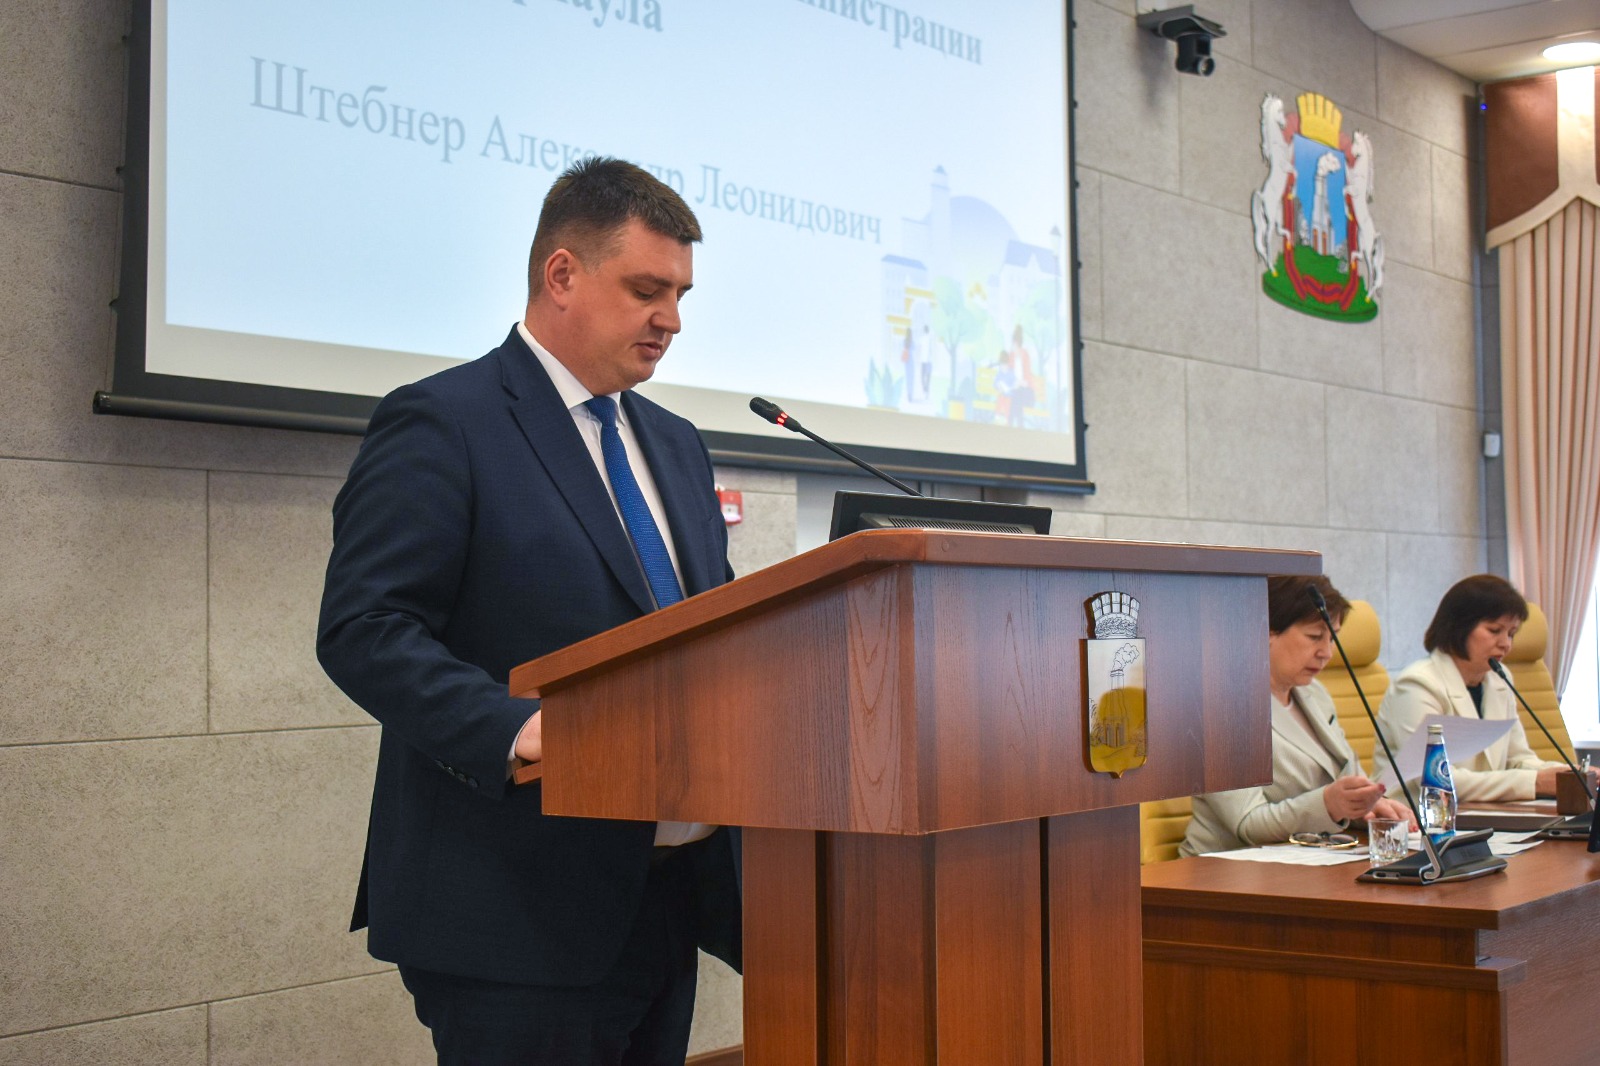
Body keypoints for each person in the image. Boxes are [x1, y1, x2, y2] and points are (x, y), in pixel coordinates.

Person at [317, 157, 741, 1065]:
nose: (671, 319)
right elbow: (366, 628)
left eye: (680, 295)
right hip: (512, 908)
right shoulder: (446, 421)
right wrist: (519, 730)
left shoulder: (675, 444)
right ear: (562, 274)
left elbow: (707, 630)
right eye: (647, 290)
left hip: (669, 897)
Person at [1180, 575, 1412, 856]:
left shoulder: (1315, 695)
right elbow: (1247, 824)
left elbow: (1347, 780)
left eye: (1332, 638)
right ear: (1265, 632)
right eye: (1314, 637)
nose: (1327, 653)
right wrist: (1329, 804)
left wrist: (1369, 806)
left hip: (1313, 856)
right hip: (1224, 870)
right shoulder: (1221, 705)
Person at [1373, 574, 1593, 802]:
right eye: (1495, 630)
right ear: (1459, 627)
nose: (1506, 644)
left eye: (1511, 634)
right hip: (1418, 816)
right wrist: (1535, 782)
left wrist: (1571, 774)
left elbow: (1518, 759)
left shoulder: (1499, 679)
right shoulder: (1418, 685)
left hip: (1485, 813)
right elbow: (1436, 779)